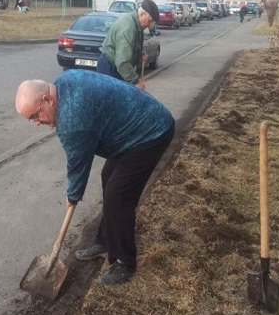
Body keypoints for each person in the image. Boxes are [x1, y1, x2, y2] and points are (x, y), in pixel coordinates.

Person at [15, 72, 176, 285]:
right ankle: (106, 242)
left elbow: (78, 164)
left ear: (48, 100)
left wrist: (72, 195)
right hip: (132, 127)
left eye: (35, 116)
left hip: (150, 132)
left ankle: (123, 262)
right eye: (31, 120)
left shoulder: (73, 120)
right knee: (108, 177)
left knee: (118, 195)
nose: (36, 123)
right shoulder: (63, 82)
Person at [97, 0, 160, 90]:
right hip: (110, 68)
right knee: (111, 101)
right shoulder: (128, 27)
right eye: (150, 21)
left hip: (116, 67)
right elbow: (123, 62)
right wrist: (136, 82)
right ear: (142, 14)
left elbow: (131, 45)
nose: (150, 25)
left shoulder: (137, 24)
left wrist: (140, 53)